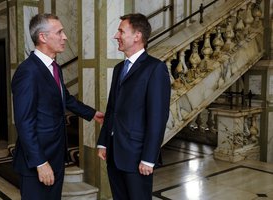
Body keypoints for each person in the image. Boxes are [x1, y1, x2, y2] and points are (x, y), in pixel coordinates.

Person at [11, 13, 104, 200]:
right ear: (43, 37)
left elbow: (65, 98)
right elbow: (24, 123)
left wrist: (93, 114)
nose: (65, 37)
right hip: (38, 160)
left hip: (55, 155)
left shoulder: (54, 67)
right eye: (59, 32)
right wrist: (40, 162)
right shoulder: (28, 72)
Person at [97, 13, 171, 200]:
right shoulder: (118, 69)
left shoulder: (155, 68)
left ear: (137, 36)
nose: (116, 36)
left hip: (137, 156)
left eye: (121, 31)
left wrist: (149, 158)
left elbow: (157, 118)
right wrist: (103, 141)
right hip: (114, 154)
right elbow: (112, 108)